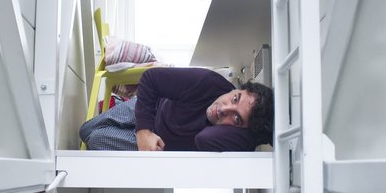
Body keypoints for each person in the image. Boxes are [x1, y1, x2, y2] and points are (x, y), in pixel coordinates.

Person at [79, 66, 274, 152]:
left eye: (237, 118)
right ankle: (123, 106)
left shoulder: (231, 140)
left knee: (95, 140)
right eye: (235, 98)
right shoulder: (208, 83)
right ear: (238, 89)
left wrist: (250, 135)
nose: (225, 108)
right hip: (151, 109)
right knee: (85, 130)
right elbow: (151, 78)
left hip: (157, 145)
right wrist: (143, 131)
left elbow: (203, 139)